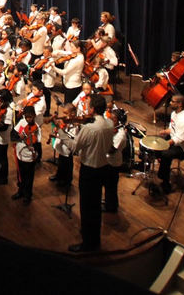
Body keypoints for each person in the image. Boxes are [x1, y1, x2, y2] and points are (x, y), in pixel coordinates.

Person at [70, 94, 115, 253]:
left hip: (89, 169)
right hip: (103, 167)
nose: (86, 108)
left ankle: (89, 242)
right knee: (95, 205)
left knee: (87, 206)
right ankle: (92, 235)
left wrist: (71, 133)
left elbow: (75, 147)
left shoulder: (89, 128)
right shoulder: (109, 123)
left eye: (88, 106)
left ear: (93, 109)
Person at [156, 95, 184, 194]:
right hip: (174, 140)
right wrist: (164, 131)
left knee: (166, 154)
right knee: (155, 142)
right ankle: (162, 167)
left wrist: (164, 144)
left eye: (173, 101)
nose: (170, 103)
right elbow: (172, 129)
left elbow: (179, 139)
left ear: (179, 104)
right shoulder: (174, 114)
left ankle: (165, 182)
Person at [11, 105, 41, 204]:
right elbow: (14, 134)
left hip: (29, 156)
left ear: (34, 116)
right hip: (20, 153)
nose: (28, 119)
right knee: (20, 174)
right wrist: (19, 137)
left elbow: (38, 144)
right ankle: (20, 191)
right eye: (27, 117)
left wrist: (36, 154)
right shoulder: (22, 122)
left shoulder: (37, 128)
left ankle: (28, 195)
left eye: (30, 117)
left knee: (29, 177)